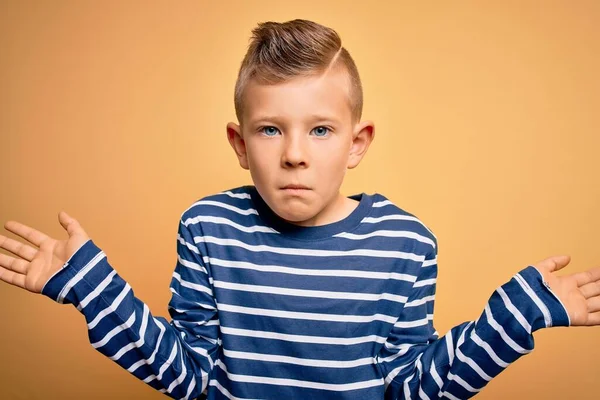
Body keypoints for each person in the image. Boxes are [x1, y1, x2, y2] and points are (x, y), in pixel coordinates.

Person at [0, 19, 598, 400]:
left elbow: (414, 389)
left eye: (319, 130)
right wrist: (93, 291)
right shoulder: (208, 228)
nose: (293, 155)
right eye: (268, 129)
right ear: (239, 145)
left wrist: (517, 318)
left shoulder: (407, 243)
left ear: (356, 142)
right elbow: (189, 377)